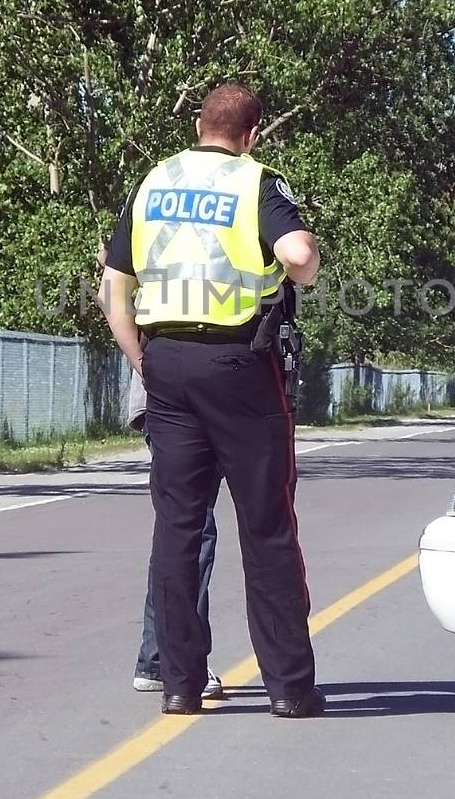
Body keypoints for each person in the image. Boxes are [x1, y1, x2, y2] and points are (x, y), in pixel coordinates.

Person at [99, 80, 324, 718]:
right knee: (268, 525)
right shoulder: (255, 181)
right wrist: (301, 268)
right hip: (240, 366)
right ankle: (289, 687)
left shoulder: (152, 184)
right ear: (252, 133)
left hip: (166, 366)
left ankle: (179, 684)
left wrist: (142, 358)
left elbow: (113, 288)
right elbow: (299, 254)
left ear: (200, 124)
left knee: (177, 527)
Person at [126, 366, 223, 700]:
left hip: (178, 398)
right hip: (183, 403)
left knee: (179, 529)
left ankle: (157, 660)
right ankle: (181, 660)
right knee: (191, 532)